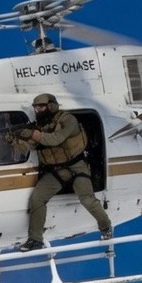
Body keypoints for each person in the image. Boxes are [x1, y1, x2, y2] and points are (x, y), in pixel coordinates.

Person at [7, 92, 112, 251]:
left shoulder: (68, 120)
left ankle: (106, 227)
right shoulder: (39, 127)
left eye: (42, 106)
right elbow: (28, 148)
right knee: (37, 198)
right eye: (36, 108)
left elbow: (56, 139)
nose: (38, 110)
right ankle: (35, 239)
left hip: (78, 167)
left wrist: (32, 134)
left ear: (51, 105)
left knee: (87, 199)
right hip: (57, 171)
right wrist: (14, 140)